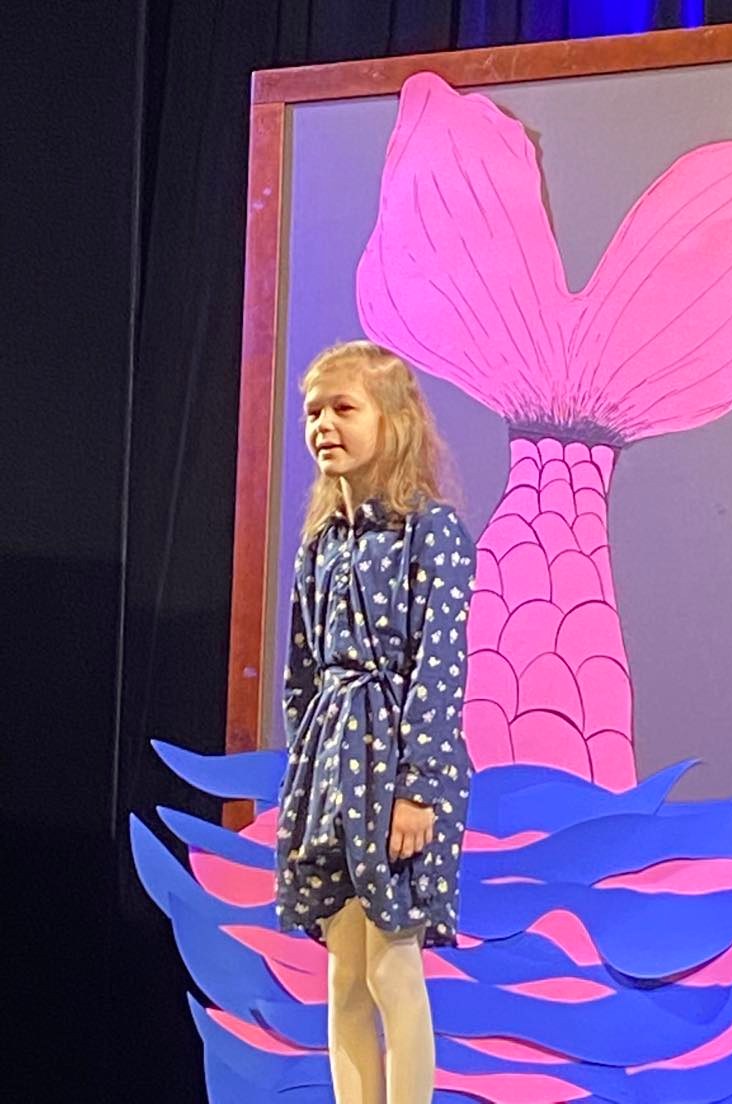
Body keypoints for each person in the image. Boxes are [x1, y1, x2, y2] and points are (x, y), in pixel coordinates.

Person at [275, 340, 476, 1103]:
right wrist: (305, 774)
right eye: (312, 413)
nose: (323, 425)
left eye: (342, 408)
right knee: (345, 974)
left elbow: (438, 668)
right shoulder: (321, 546)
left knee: (394, 964)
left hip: (397, 770)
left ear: (392, 421)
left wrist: (417, 788)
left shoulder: (431, 533)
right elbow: (302, 673)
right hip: (332, 769)